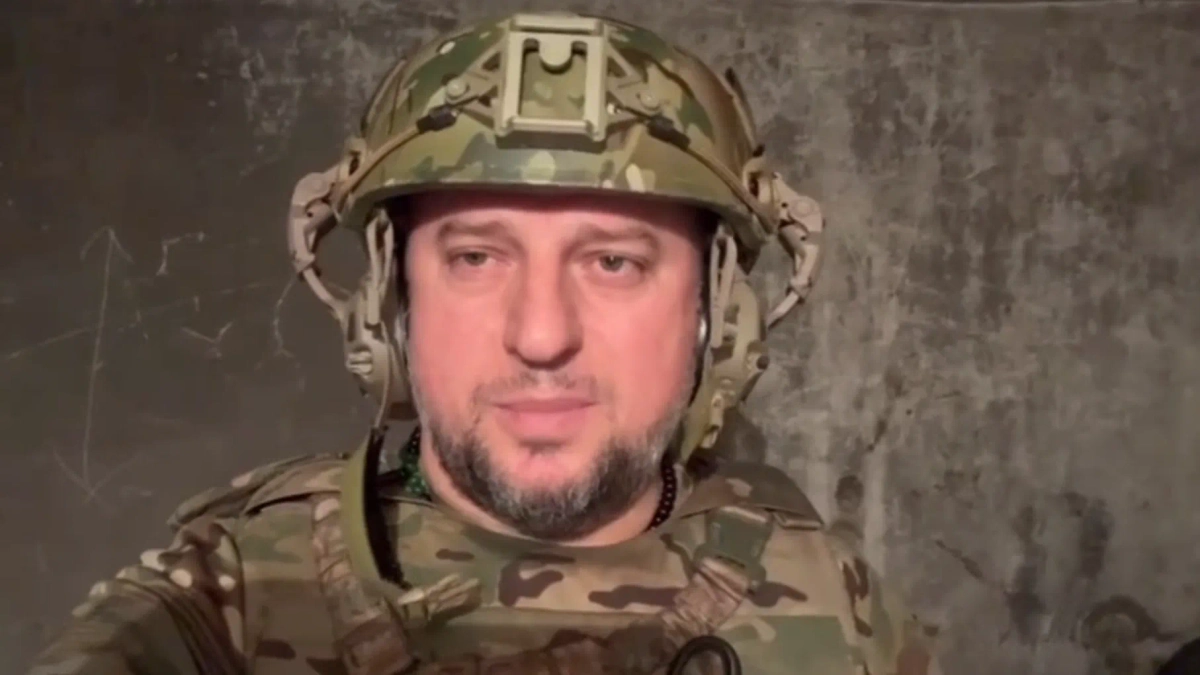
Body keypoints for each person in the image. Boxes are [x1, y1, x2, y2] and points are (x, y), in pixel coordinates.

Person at [29, 11, 941, 675]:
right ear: (390, 304)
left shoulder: (844, 618)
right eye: (475, 257)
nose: (540, 334)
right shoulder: (219, 608)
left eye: (614, 262)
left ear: (718, 317)